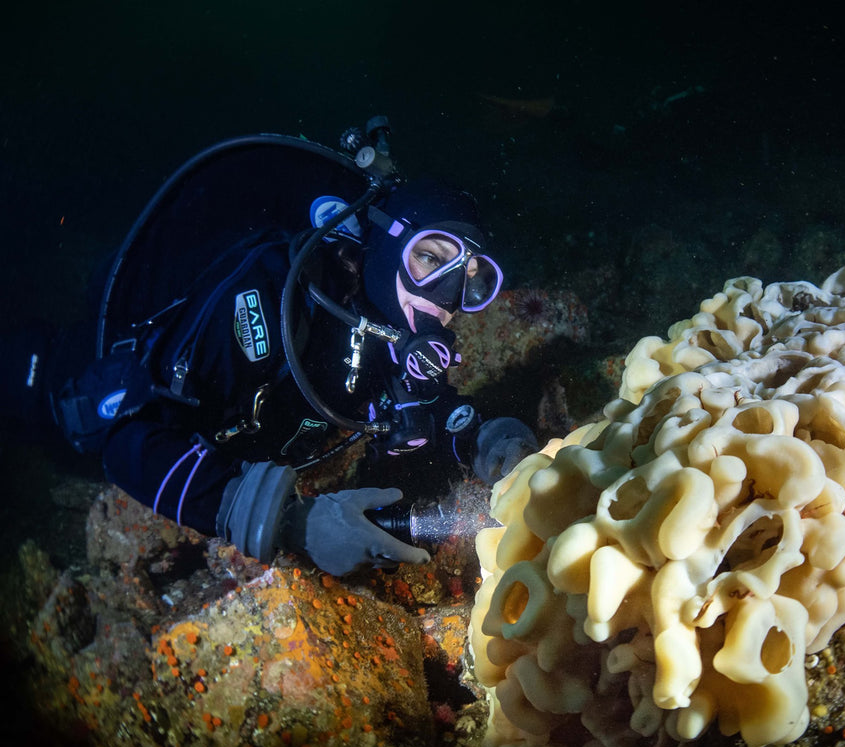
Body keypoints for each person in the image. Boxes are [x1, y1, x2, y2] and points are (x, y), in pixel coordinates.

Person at [30, 125, 537, 576]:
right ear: (384, 244)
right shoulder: (270, 298)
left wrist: (485, 438)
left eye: (472, 282)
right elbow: (125, 441)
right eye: (430, 258)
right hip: (59, 394)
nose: (445, 299)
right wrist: (293, 523)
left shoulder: (391, 328)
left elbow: (422, 406)